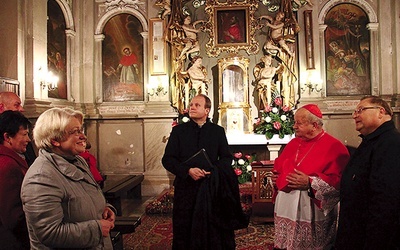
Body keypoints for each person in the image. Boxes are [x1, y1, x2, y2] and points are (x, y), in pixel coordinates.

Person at [21, 107, 116, 249]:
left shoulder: (78, 161)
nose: (83, 136)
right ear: (55, 140)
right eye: (75, 132)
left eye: (81, 130)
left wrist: (105, 208)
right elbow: (49, 233)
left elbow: (83, 198)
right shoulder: (41, 177)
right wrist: (96, 228)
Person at [162, 94, 248, 249]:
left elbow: (226, 158)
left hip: (211, 188)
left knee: (212, 229)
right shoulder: (179, 131)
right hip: (186, 188)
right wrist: (188, 170)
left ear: (207, 110)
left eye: (197, 105)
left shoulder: (217, 131)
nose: (192, 107)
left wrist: (213, 171)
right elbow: (168, 159)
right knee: (185, 227)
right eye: (191, 104)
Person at [272, 104, 350, 249]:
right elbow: (280, 169)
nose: (294, 126)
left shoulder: (335, 147)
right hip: (287, 204)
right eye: (294, 122)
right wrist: (276, 178)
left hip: (311, 207)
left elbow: (340, 182)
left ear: (314, 125)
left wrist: (310, 183)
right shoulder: (293, 143)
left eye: (299, 123)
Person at [336, 96, 400, 249]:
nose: (354, 115)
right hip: (357, 231)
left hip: (373, 237)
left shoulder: (391, 143)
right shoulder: (371, 141)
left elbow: (386, 200)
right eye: (355, 111)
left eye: (360, 110)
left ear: (381, 112)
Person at [0, 111, 32, 249]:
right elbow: (13, 216)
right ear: (7, 137)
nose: (28, 139)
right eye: (24, 134)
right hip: (13, 242)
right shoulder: (8, 165)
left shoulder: (11, 160)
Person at [0, 91, 36, 166]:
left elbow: (31, 161)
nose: (22, 109)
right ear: (1, 108)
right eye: (16, 105)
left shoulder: (22, 129)